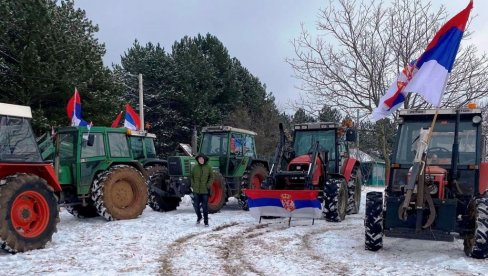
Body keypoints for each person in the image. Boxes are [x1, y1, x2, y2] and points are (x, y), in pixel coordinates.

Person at [190, 153, 214, 226]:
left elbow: (211, 177)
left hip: (205, 190)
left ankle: (206, 221)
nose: (201, 160)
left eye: (202, 159)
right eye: (200, 159)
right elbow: (191, 177)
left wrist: (208, 185)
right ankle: (199, 217)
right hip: (196, 190)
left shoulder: (208, 167)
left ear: (204, 159)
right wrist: (193, 185)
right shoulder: (195, 167)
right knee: (196, 206)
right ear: (198, 160)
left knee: (204, 206)